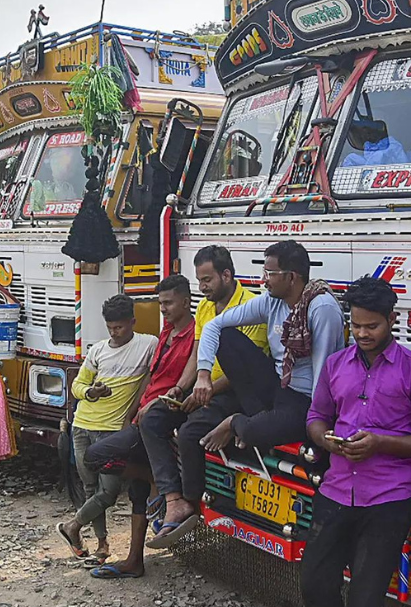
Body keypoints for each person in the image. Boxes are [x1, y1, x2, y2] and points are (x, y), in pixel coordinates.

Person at [148, 240, 344, 548]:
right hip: (277, 387)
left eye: (270, 273)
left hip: (305, 400)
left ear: (291, 277)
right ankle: (190, 496)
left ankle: (235, 422)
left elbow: (325, 377)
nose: (264, 280)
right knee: (227, 335)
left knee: (253, 431)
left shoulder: (322, 309)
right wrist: (201, 376)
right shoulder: (271, 302)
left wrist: (315, 427)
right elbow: (214, 328)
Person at [300, 277, 411, 607]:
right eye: (356, 325)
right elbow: (315, 417)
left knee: (365, 599)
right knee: (314, 586)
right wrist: (327, 441)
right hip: (335, 491)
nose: (363, 334)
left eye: (372, 326)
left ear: (392, 320)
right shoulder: (335, 364)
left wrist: (379, 443)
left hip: (387, 500)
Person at [139, 246, 269, 546]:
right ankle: (173, 499)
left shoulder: (253, 307)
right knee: (153, 419)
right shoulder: (206, 307)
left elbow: (244, 372)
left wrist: (206, 388)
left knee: (189, 432)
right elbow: (199, 354)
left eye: (207, 279)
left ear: (227, 275)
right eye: (199, 281)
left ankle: (192, 501)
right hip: (203, 387)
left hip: (237, 392)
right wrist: (181, 388)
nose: (202, 287)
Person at [80, 275, 196, 579]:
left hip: (163, 415)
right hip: (142, 416)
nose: (163, 309)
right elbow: (150, 377)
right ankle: (134, 560)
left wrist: (155, 405)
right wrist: (131, 412)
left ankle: (166, 488)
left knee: (95, 456)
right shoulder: (166, 333)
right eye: (160, 304)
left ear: (186, 301)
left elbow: (185, 383)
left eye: (168, 303)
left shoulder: (194, 337)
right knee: (136, 488)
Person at [57, 295, 158, 563]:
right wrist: (91, 392)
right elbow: (77, 386)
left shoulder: (148, 344)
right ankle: (102, 547)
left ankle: (72, 526)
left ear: (132, 322)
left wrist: (133, 411)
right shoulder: (98, 350)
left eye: (120, 327)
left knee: (108, 492)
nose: (114, 332)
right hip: (82, 425)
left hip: (113, 430)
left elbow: (151, 376)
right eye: (110, 327)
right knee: (91, 489)